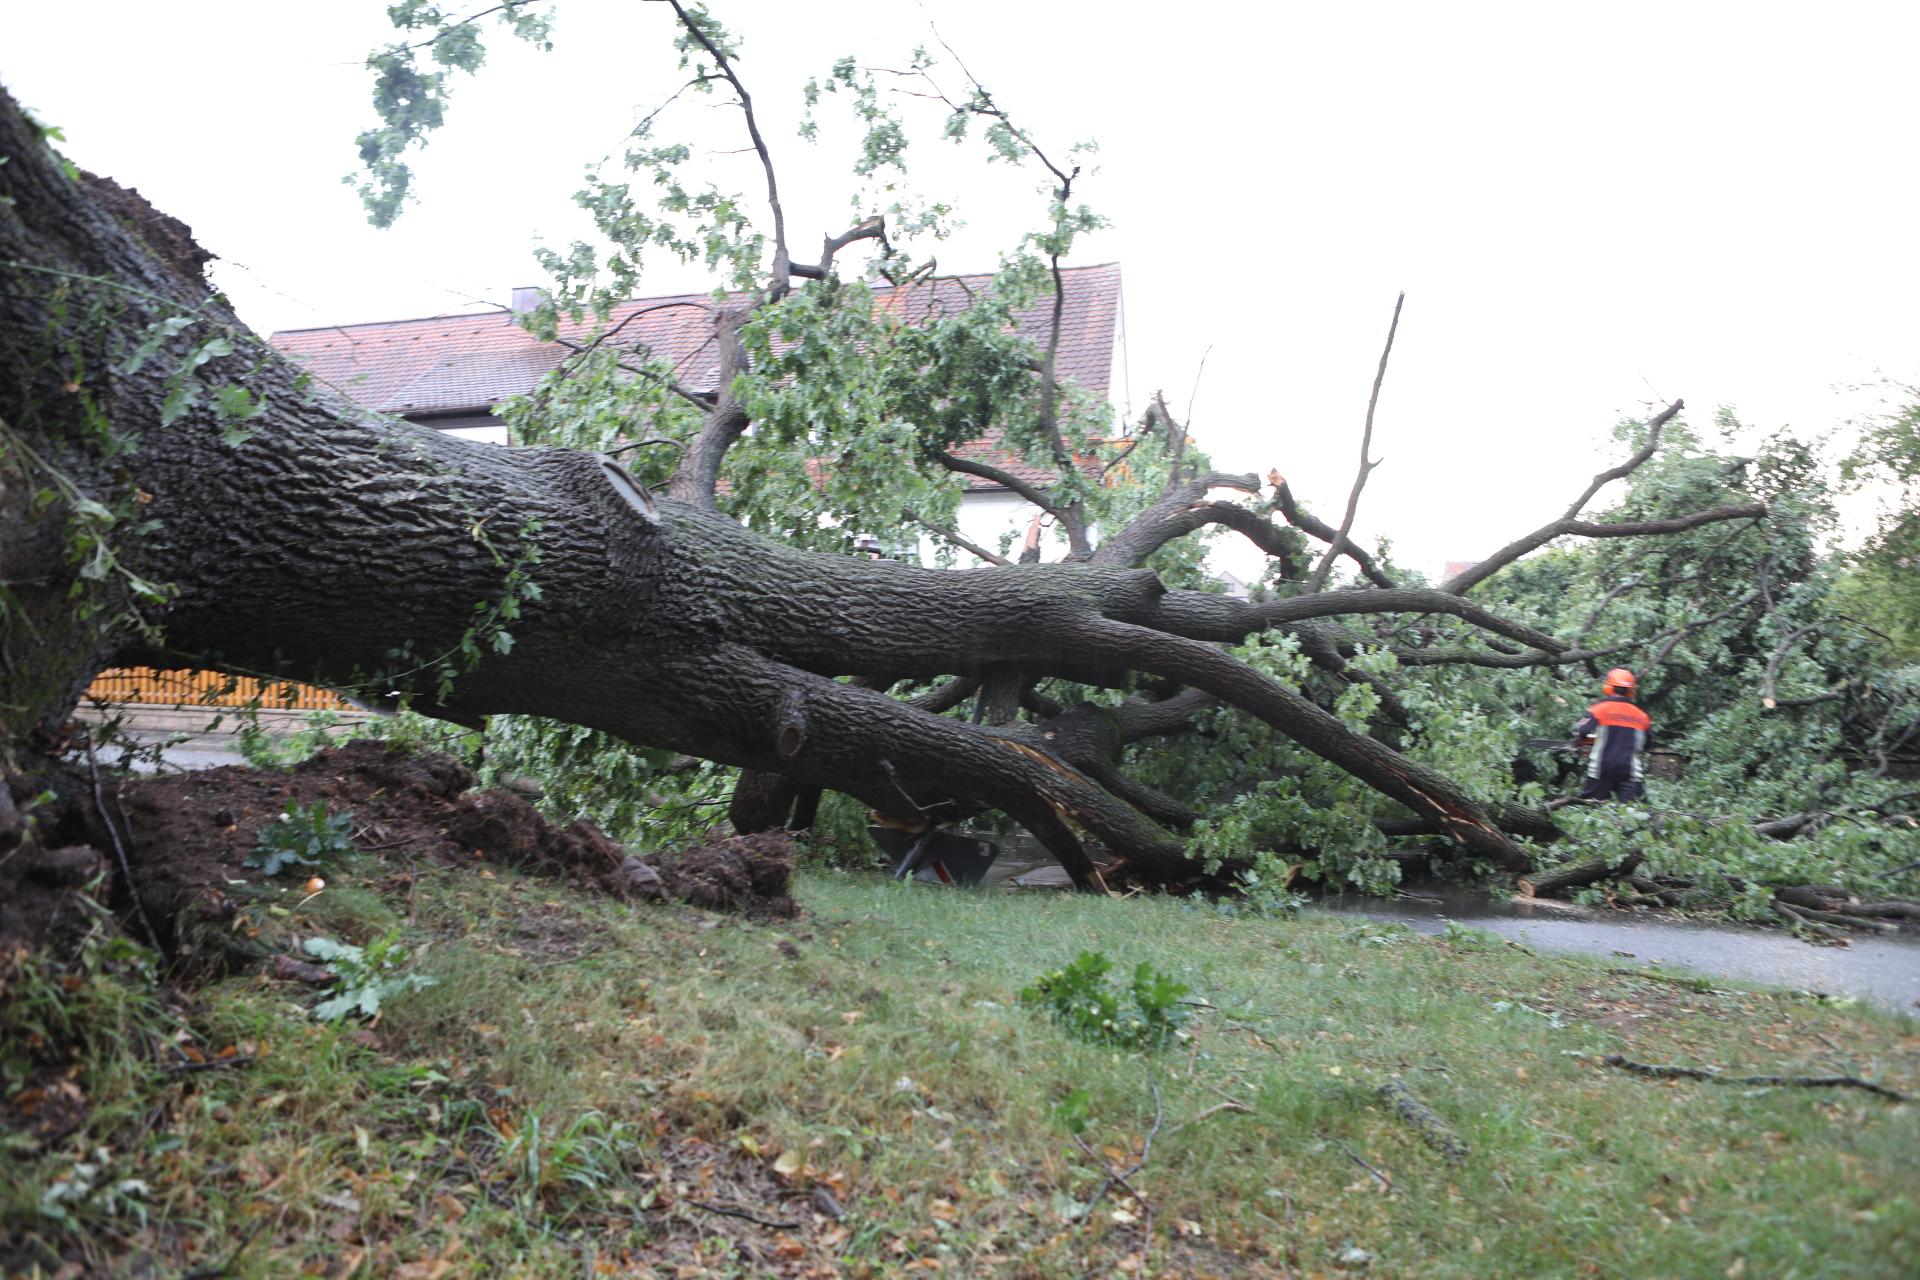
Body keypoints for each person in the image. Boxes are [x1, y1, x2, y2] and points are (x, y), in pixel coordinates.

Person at [1570, 668, 1651, 801]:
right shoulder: (1642, 716)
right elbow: (1647, 746)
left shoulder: (1599, 709)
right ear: (1631, 691)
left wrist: (1586, 741)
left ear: (1608, 687)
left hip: (1601, 769)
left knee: (1589, 809)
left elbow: (1580, 731)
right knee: (1636, 814)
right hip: (1630, 772)